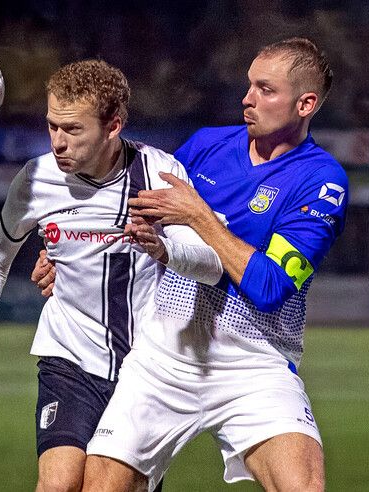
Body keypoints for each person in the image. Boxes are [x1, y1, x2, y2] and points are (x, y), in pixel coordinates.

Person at [72, 38, 347, 491]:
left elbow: (270, 286)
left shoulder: (321, 181)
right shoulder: (205, 147)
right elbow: (138, 222)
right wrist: (62, 260)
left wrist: (198, 215)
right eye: (248, 85)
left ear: (306, 103)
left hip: (254, 366)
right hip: (164, 357)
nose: (247, 98)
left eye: (265, 89)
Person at [0, 59, 223, 492]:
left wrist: (164, 249)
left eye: (73, 130)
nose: (58, 142)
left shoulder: (158, 175)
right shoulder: (35, 179)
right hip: (69, 358)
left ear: (113, 125)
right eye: (52, 126)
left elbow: (210, 263)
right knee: (57, 485)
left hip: (147, 368)